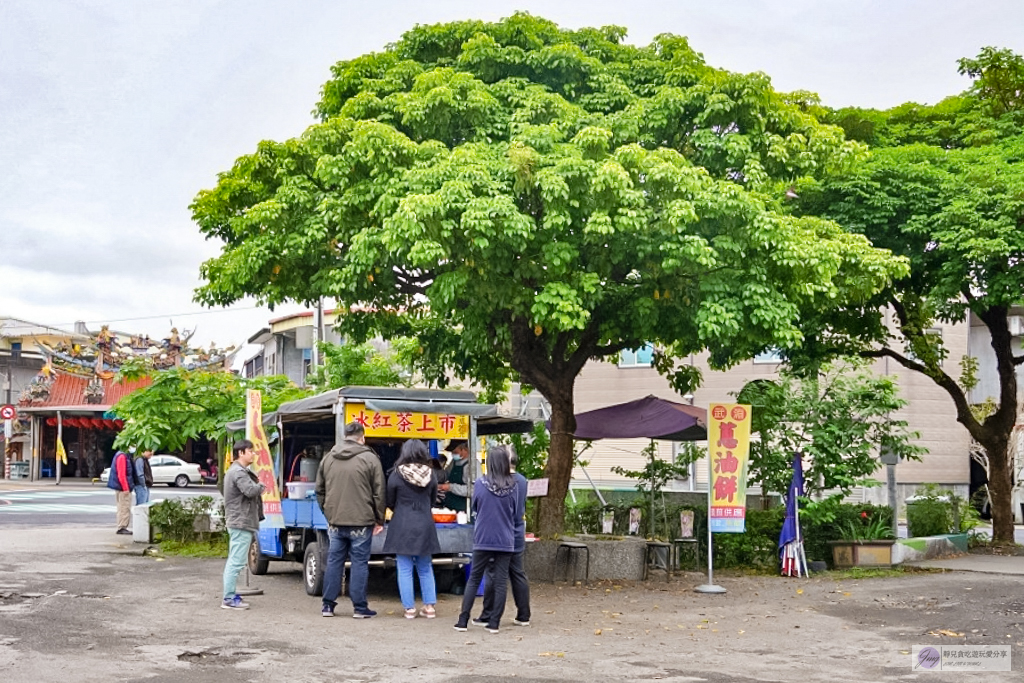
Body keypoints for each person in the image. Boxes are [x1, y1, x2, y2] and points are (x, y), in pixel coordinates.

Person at [316, 421, 386, 619]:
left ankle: (327, 605)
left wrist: (328, 513)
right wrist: (379, 519)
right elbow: (379, 492)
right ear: (362, 438)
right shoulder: (370, 459)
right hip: (362, 521)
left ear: (344, 436)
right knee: (359, 563)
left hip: (335, 521)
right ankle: (359, 607)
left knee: (334, 561)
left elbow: (319, 490)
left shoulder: (328, 458)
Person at [453, 445, 523, 634]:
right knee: (501, 582)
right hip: (505, 540)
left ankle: (463, 620)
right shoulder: (514, 486)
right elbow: (516, 514)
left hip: (483, 538)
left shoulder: (480, 484)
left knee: (474, 578)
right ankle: (494, 623)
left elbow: (476, 506)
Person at [474, 445, 531, 627]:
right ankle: (524, 614)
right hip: (517, 530)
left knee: (493, 573)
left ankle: (488, 614)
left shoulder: (495, 481)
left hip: (499, 533)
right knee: (517, 572)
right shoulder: (522, 480)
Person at [383, 439, 441, 619]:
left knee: (405, 568)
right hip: (424, 523)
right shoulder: (431, 474)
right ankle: (429, 607)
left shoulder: (396, 474)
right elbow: (433, 499)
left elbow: (389, 500)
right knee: (425, 566)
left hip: (402, 524)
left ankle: (409, 609)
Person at [222, 439, 265, 610]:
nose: (253, 454)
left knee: (235, 559)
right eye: (251, 451)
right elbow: (250, 490)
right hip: (241, 520)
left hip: (239, 520)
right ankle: (228, 598)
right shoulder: (238, 472)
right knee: (237, 561)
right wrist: (261, 485)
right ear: (241, 453)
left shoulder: (236, 471)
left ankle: (230, 595)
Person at [106, 449, 137, 535]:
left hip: (121, 487)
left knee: (121, 507)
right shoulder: (122, 456)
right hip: (123, 488)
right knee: (124, 507)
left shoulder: (121, 455)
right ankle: (122, 527)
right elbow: (121, 474)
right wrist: (126, 488)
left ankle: (122, 526)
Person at [440, 440, 471, 515]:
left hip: (464, 510)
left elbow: (472, 490)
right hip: (450, 507)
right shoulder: (454, 462)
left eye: (455, 452)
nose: (453, 454)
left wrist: (450, 487)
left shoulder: (471, 466)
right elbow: (444, 475)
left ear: (464, 450)